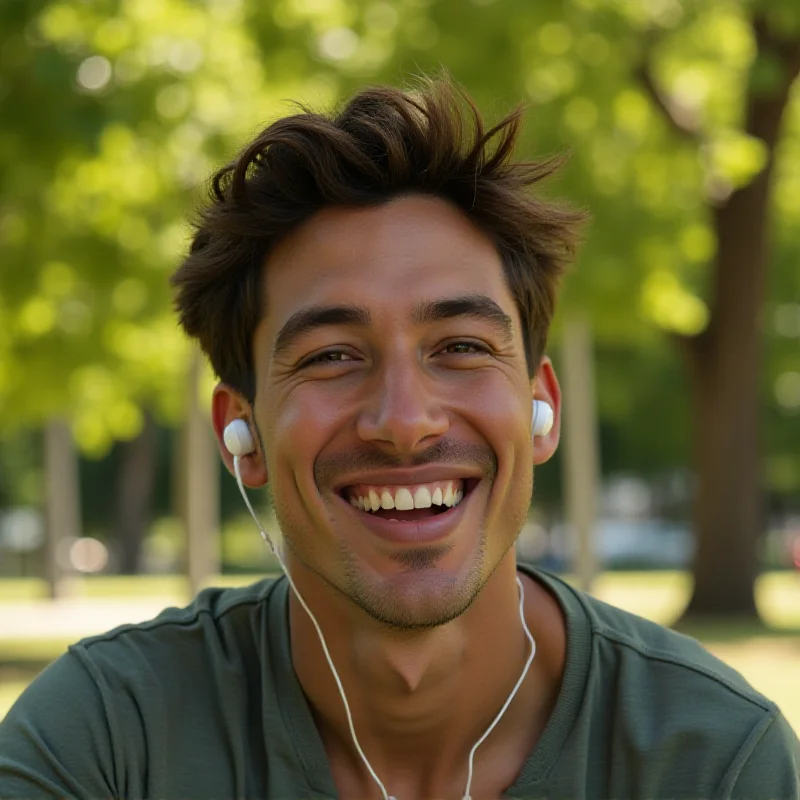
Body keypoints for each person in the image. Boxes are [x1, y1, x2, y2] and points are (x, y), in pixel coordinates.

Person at [1, 77, 798, 800]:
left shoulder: (713, 761)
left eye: (460, 345)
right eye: (331, 356)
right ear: (238, 432)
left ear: (538, 406)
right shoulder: (105, 743)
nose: (405, 421)